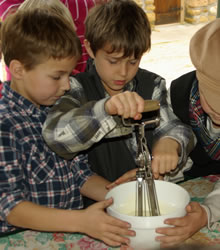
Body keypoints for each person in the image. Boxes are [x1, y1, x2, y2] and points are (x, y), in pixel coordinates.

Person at [0, 8, 136, 247]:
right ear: (19, 69)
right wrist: (82, 222)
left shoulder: (56, 111)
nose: (66, 86)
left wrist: (120, 198)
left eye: (69, 75)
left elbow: (79, 175)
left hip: (66, 236)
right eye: (57, 76)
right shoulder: (5, 125)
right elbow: (11, 208)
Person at [42, 0, 192, 207]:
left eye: (133, 61)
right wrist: (105, 110)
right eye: (113, 61)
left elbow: (175, 127)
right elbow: (55, 136)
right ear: (91, 49)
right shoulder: (76, 88)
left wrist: (170, 142)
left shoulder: (152, 85)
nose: (123, 72)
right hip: (99, 207)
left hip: (147, 199)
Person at [154, 19, 220, 247]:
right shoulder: (179, 96)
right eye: (213, 101)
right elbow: (176, 146)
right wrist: (161, 171)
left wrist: (208, 212)